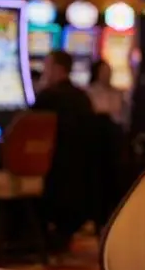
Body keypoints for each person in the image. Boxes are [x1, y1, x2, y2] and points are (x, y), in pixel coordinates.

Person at [31, 51, 97, 247]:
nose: (44, 72)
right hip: (77, 180)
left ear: (58, 69)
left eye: (47, 67)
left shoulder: (48, 96)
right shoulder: (82, 97)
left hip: (51, 173)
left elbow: (27, 129)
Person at [86, 60, 129, 128]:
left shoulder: (117, 93)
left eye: (108, 71)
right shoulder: (89, 92)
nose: (107, 74)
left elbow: (123, 114)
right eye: (104, 72)